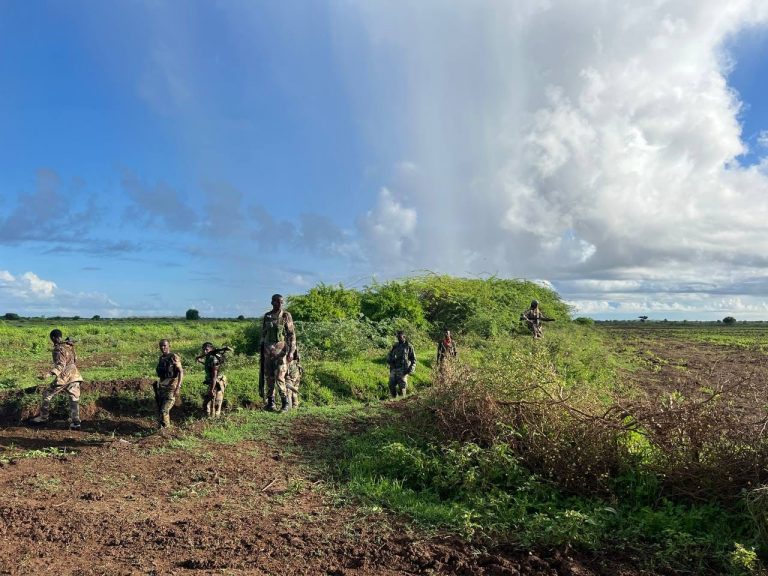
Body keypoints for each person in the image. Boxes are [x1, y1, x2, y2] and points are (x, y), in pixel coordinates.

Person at [31, 329, 84, 430]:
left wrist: (48, 374)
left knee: (46, 394)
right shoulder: (68, 346)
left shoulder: (58, 349)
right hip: (75, 375)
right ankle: (76, 423)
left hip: (64, 377)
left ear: (53, 338)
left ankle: (43, 417)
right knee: (74, 398)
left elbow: (61, 365)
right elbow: (75, 359)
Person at [260, 294, 296, 412]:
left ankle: (285, 404)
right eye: (277, 302)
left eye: (281, 302)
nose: (280, 304)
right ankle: (271, 403)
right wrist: (262, 351)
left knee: (280, 376)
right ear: (272, 303)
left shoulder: (286, 315)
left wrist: (291, 352)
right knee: (268, 377)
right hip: (267, 352)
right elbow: (264, 334)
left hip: (280, 352)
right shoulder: (267, 316)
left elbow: (291, 335)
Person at [153, 339, 184, 428]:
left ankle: (167, 430)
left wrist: (178, 386)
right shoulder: (161, 358)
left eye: (165, 345)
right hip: (162, 387)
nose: (163, 348)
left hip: (171, 388)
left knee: (164, 410)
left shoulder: (174, 357)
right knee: (160, 409)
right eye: (161, 346)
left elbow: (181, 371)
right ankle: (161, 428)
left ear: (169, 346)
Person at [196, 342, 230, 417]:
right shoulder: (209, 357)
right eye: (203, 350)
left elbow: (214, 376)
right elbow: (209, 366)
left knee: (216, 402)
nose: (205, 351)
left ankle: (215, 419)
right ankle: (209, 418)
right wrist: (201, 361)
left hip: (217, 382)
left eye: (207, 350)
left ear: (211, 350)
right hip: (213, 381)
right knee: (209, 401)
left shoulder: (214, 359)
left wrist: (211, 389)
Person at [387, 330, 416, 398]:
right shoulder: (395, 346)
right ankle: (394, 399)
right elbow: (389, 355)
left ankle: (403, 400)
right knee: (391, 384)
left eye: (400, 337)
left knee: (402, 387)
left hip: (403, 369)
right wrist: (389, 361)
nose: (398, 338)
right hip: (394, 368)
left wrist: (410, 369)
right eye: (397, 337)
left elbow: (413, 360)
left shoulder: (409, 346)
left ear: (404, 337)